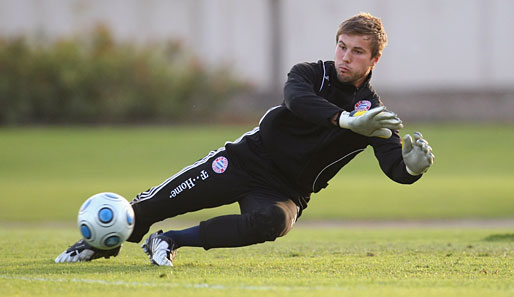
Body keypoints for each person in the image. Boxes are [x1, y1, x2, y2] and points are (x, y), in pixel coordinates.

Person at [55, 12, 434, 266]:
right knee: (153, 204)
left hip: (285, 190)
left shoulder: (374, 112)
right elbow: (297, 101)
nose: (344, 57)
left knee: (274, 223)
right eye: (341, 46)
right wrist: (345, 121)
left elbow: (394, 166)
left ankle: (168, 241)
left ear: (373, 61)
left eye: (356, 52)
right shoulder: (309, 74)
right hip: (246, 160)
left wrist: (411, 168)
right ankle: (101, 243)